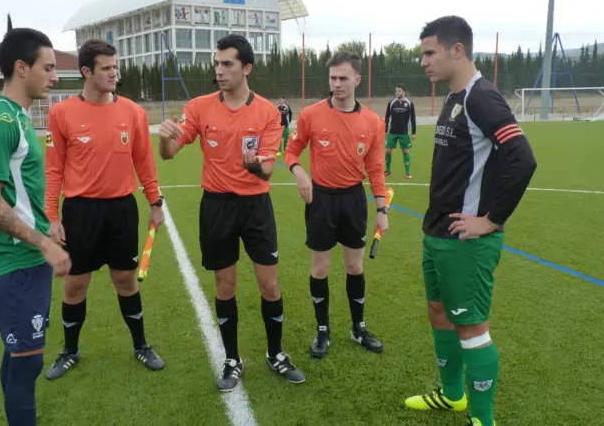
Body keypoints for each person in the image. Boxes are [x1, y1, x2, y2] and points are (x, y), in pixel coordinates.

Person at [405, 16, 537, 426]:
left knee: (472, 329)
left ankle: (482, 419)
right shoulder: (453, 96)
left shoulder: (483, 98)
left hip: (467, 242)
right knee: (438, 312)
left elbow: (523, 159)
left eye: (430, 52)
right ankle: (452, 396)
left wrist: (491, 220)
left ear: (457, 50)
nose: (423, 61)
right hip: (438, 233)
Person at [157, 34, 305, 392]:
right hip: (217, 206)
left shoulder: (268, 113)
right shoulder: (200, 107)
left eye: (227, 64)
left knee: (270, 284)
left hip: (256, 207)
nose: (219, 71)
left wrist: (253, 165)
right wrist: (164, 137)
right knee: (225, 285)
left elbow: (267, 171)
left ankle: (275, 353)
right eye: (216, 64)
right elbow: (169, 153)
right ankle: (232, 359)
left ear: (246, 68)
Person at [44, 38, 166, 380]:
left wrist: (155, 203)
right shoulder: (61, 113)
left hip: (121, 210)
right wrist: (52, 216)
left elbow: (145, 163)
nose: (114, 73)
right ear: (87, 72)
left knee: (126, 279)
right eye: (107, 68)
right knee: (74, 285)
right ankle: (70, 351)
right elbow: (53, 169)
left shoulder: (133, 113)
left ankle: (141, 345)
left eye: (116, 67)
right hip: (80, 212)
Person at [0, 24, 71, 426]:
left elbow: (22, 190)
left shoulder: (19, 116)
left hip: (29, 256)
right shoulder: (2, 122)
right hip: (12, 260)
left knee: (20, 356)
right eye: (48, 68)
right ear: (21, 68)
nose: (55, 77)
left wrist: (47, 230)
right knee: (27, 362)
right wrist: (41, 242)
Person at [284, 51, 388, 359]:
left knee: (355, 266)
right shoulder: (311, 115)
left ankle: (358, 328)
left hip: (354, 199)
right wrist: (299, 171)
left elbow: (376, 169)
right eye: (333, 78)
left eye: (343, 78)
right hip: (321, 200)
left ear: (357, 79)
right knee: (320, 268)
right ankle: (323, 330)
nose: (337, 84)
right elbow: (291, 151)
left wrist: (382, 210)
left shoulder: (373, 122)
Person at [383, 84, 417, 178]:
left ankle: (407, 173)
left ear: (403, 92)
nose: (397, 93)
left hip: (404, 132)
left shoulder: (409, 103)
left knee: (405, 151)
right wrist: (385, 130)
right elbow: (387, 117)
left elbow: (413, 118)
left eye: (399, 91)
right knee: (388, 151)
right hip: (392, 132)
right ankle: (388, 170)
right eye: (396, 91)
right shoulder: (391, 103)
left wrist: (413, 132)